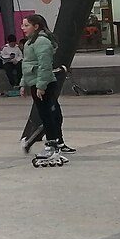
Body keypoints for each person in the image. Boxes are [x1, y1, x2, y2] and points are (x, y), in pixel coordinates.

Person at [20, 14, 75, 166]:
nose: (23, 28)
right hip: (35, 82)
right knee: (46, 115)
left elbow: (45, 66)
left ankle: (52, 145)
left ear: (36, 26)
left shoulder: (42, 42)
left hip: (42, 84)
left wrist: (41, 86)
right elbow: (27, 64)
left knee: (48, 115)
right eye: (23, 25)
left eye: (26, 25)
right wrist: (23, 83)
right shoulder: (31, 42)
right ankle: (53, 144)